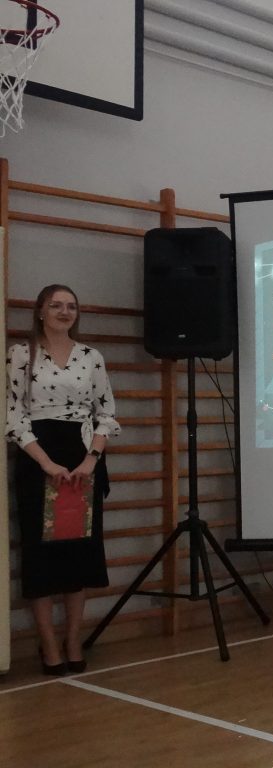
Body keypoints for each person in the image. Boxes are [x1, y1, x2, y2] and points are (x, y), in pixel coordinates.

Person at [6, 284, 120, 676]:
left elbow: (106, 413)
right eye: (55, 305)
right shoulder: (21, 354)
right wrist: (47, 464)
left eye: (71, 306)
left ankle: (72, 640)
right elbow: (14, 416)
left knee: (78, 553)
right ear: (40, 311)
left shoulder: (91, 357)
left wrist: (90, 461)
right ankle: (49, 645)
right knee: (40, 555)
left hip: (82, 456)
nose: (64, 311)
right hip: (37, 456)